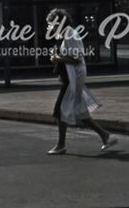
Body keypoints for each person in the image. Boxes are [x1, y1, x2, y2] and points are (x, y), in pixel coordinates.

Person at [45, 8, 118, 155]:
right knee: (80, 112)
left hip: (72, 80)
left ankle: (61, 145)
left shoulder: (71, 34)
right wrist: (57, 59)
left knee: (60, 111)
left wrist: (58, 58)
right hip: (68, 78)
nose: (50, 27)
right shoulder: (63, 34)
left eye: (52, 24)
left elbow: (77, 58)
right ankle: (106, 136)